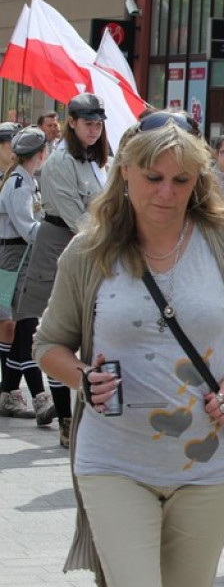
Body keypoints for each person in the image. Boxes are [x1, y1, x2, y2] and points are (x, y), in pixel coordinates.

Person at [33, 111, 224, 587]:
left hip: (208, 470)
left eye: (181, 180)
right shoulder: (89, 252)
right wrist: (82, 377)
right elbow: (47, 345)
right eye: (153, 178)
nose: (167, 193)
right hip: (113, 464)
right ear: (124, 172)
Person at [20, 93, 109, 447]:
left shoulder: (97, 159)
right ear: (71, 122)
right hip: (61, 243)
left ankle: (86, 415)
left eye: (99, 124)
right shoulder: (60, 162)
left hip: (94, 246)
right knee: (56, 334)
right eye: (88, 123)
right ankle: (66, 419)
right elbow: (77, 219)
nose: (94, 129)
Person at [0, 127, 56, 426]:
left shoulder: (28, 180)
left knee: (25, 326)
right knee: (26, 324)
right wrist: (56, 234)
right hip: (16, 257)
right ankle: (40, 396)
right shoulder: (20, 183)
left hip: (22, 256)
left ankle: (9, 391)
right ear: (41, 154)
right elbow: (27, 227)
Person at [0, 121, 24, 418]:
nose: (14, 151)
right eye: (10, 145)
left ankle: (8, 388)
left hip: (12, 255)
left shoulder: (19, 178)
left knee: (11, 324)